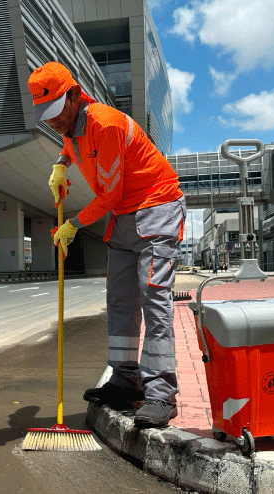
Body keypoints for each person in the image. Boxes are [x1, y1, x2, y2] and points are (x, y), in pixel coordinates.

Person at [28, 62, 186, 428]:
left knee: (154, 298)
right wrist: (61, 164)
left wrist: (71, 225)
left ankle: (161, 394)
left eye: (55, 113)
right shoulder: (71, 123)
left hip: (155, 205)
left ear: (73, 95)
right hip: (124, 217)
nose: (52, 122)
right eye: (45, 115)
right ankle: (125, 381)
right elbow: (70, 141)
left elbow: (110, 195)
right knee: (118, 299)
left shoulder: (105, 123)